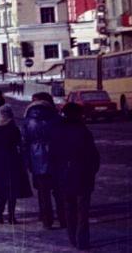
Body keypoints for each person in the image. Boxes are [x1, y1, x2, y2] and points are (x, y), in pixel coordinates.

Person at [49, 102, 100, 250]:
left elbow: (52, 156)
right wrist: (92, 171)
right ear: (78, 115)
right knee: (82, 211)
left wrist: (56, 175)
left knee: (69, 209)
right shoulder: (83, 131)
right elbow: (93, 156)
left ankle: (72, 238)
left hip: (64, 176)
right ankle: (82, 241)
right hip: (83, 175)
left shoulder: (57, 131)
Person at [23, 92, 65, 230]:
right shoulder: (56, 118)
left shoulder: (28, 120)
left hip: (37, 159)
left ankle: (47, 220)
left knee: (43, 192)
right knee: (59, 191)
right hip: (56, 158)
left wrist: (27, 161)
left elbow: (24, 142)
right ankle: (63, 218)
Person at [0, 104, 31, 224]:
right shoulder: (13, 128)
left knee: (2, 190)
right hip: (12, 160)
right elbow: (19, 144)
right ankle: (11, 216)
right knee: (12, 189)